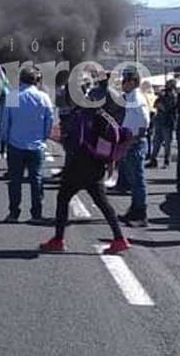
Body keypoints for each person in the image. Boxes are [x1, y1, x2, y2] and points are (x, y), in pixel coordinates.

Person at [40, 100, 131, 255]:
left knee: (63, 198)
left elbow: (72, 141)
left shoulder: (80, 116)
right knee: (103, 203)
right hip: (97, 166)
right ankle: (119, 238)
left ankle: (58, 240)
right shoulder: (104, 117)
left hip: (79, 165)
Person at [1, 66, 54, 223]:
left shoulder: (12, 96)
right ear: (36, 80)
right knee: (36, 180)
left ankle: (13, 213)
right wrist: (44, 137)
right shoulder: (43, 97)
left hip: (15, 144)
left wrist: (4, 139)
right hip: (36, 146)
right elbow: (50, 120)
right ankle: (36, 214)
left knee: (14, 180)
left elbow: (5, 122)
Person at [117, 71, 151, 228]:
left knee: (138, 180)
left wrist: (135, 138)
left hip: (134, 143)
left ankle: (140, 213)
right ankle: (133, 210)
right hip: (129, 142)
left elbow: (144, 120)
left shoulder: (136, 98)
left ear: (132, 82)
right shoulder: (130, 97)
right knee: (133, 179)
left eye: (125, 81)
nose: (123, 84)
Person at [148, 79, 178, 169]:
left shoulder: (174, 96)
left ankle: (166, 160)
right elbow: (156, 104)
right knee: (156, 141)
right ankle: (153, 159)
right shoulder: (163, 95)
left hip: (168, 121)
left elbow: (170, 108)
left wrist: (162, 106)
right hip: (160, 120)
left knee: (167, 142)